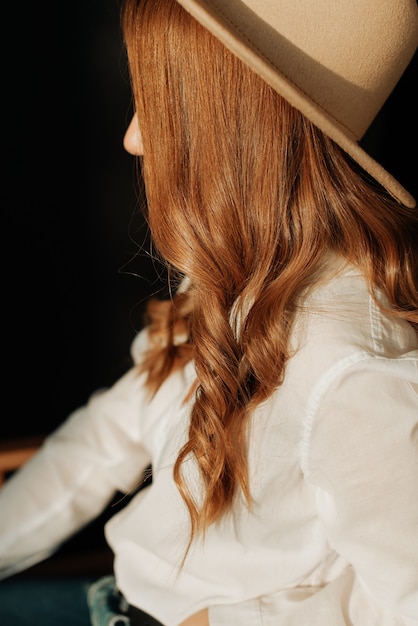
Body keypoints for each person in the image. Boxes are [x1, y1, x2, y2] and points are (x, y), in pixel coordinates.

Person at [1, 0, 417, 624]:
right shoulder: (235, 285)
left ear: (237, 132)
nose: (133, 136)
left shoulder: (349, 373)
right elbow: (101, 441)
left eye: (159, 106)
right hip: (106, 601)